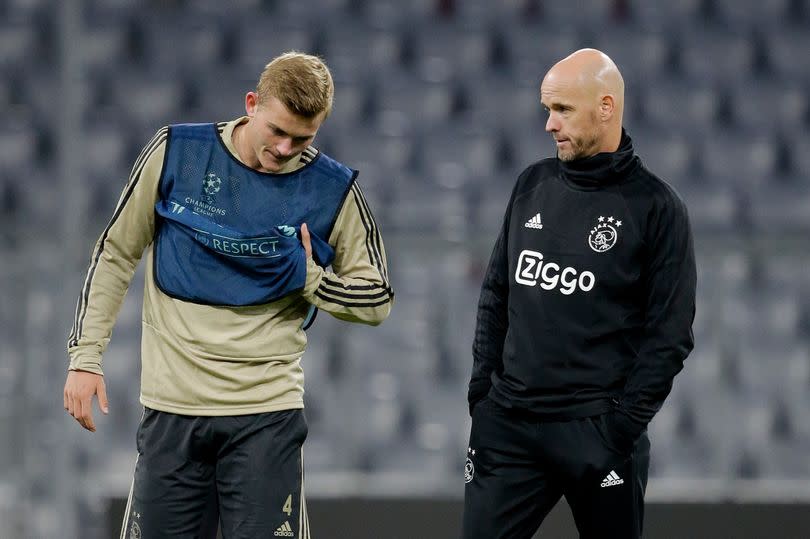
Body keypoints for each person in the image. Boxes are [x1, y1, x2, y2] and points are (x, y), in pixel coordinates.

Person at [63, 51, 394, 539]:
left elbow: (377, 299)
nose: (284, 148)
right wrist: (85, 357)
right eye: (277, 131)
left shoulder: (333, 189)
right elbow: (115, 252)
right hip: (172, 409)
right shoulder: (177, 151)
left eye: (302, 139)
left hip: (266, 415)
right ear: (252, 103)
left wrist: (313, 282)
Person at [462, 48, 695, 538]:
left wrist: (619, 431)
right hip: (510, 429)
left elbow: (669, 335)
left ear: (606, 107)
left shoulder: (657, 208)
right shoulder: (532, 184)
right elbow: (495, 296)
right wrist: (482, 399)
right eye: (547, 109)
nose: (549, 124)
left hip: (597, 433)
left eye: (562, 110)